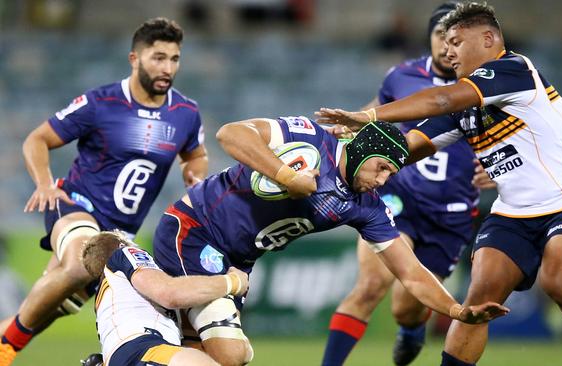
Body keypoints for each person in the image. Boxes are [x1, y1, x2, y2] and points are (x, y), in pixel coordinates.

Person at [317, 3, 562, 366]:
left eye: (457, 41)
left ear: (488, 39)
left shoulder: (514, 70)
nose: (449, 50)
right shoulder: (464, 108)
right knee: (475, 303)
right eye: (446, 42)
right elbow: (412, 144)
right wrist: (357, 158)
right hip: (513, 211)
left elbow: (442, 98)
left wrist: (370, 115)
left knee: (558, 281)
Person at [151, 117, 508, 366]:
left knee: (196, 348)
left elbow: (412, 273)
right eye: (381, 168)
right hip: (195, 229)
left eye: (391, 175)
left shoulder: (367, 208)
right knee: (227, 354)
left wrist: (457, 311)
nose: (383, 181)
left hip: (238, 261)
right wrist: (286, 175)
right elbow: (231, 133)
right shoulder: (310, 138)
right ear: (365, 151)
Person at [0, 17, 208, 366]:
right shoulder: (101, 102)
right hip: (77, 206)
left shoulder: (185, 113)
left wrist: (194, 174)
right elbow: (38, 139)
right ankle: (6, 349)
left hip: (121, 233)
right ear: (134, 59)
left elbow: (197, 156)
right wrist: (43, 183)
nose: (167, 67)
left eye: (174, 59)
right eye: (158, 57)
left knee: (47, 309)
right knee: (82, 263)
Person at [321, 2, 480, 366]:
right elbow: (376, 110)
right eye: (441, 34)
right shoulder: (401, 76)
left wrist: (495, 168)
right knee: (370, 286)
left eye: (456, 37)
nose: (447, 44)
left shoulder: (484, 86)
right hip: (398, 196)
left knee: (407, 307)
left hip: (451, 212)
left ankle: (411, 328)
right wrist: (347, 126)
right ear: (430, 36)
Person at [80, 231, 249, 366]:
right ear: (121, 243)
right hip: (142, 349)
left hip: (135, 354)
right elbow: (168, 293)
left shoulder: (113, 300)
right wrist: (233, 282)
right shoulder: (125, 254)